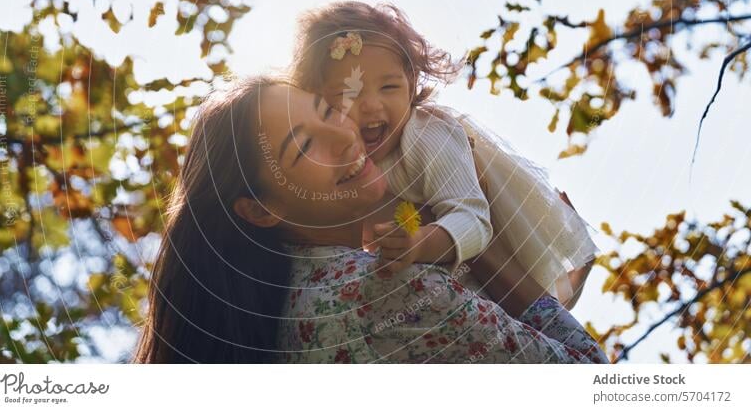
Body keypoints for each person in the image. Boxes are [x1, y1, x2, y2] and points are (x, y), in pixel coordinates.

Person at [132, 76, 608, 363]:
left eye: (326, 111)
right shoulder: (387, 290)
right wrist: (478, 230)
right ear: (260, 209)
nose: (344, 134)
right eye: (303, 146)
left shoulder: (282, 312)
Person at [289, 0, 599, 307]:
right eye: (348, 93)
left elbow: (474, 219)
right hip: (430, 289)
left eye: (389, 88)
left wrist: (419, 243)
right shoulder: (332, 162)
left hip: (480, 257)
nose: (371, 104)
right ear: (317, 103)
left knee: (531, 305)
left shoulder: (425, 134)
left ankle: (566, 290)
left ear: (411, 85)